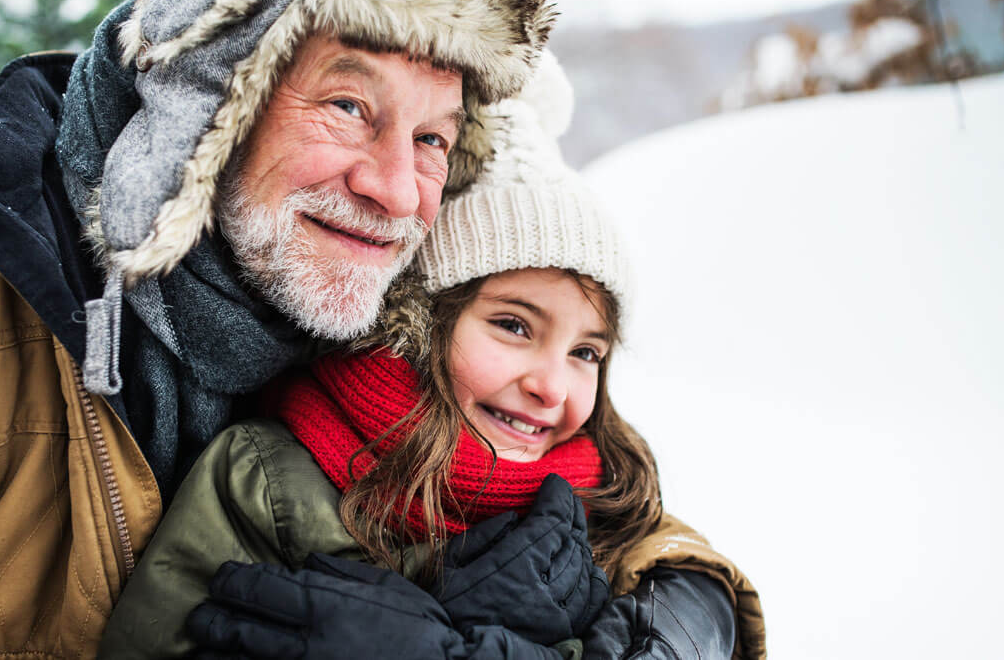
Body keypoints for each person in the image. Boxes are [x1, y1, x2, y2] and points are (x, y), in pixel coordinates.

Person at [0, 0, 557, 657]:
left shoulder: (424, 326)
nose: (397, 193)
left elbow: (648, 546)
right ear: (211, 99)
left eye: (433, 139)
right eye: (347, 106)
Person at [100, 54, 767, 659]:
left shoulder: (603, 503)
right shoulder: (271, 482)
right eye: (513, 325)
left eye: (586, 352)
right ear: (418, 325)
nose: (551, 385)